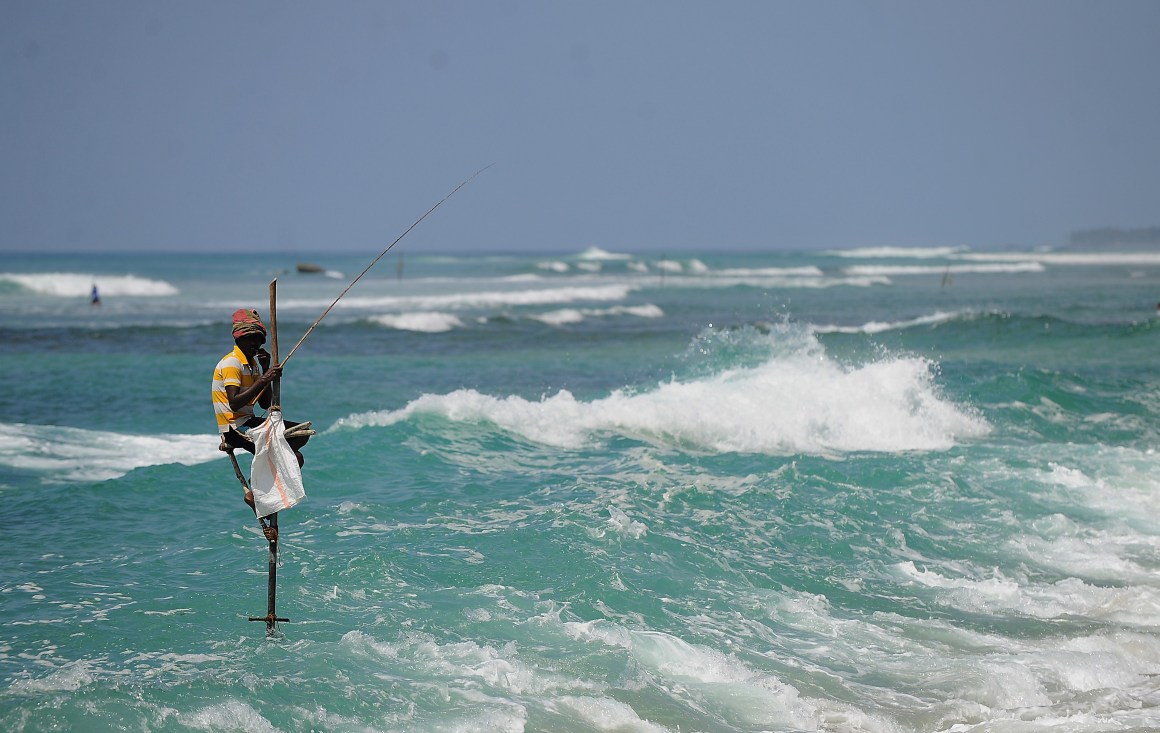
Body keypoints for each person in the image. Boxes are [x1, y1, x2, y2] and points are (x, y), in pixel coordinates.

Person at [212, 308, 312, 525]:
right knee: (292, 451)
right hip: (234, 429)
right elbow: (235, 401)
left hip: (249, 422)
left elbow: (265, 404)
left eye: (258, 340)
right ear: (239, 339)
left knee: (300, 444)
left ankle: (258, 493)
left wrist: (265, 370)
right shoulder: (232, 363)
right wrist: (264, 379)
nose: (255, 345)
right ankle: (257, 496)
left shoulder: (253, 365)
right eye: (250, 340)